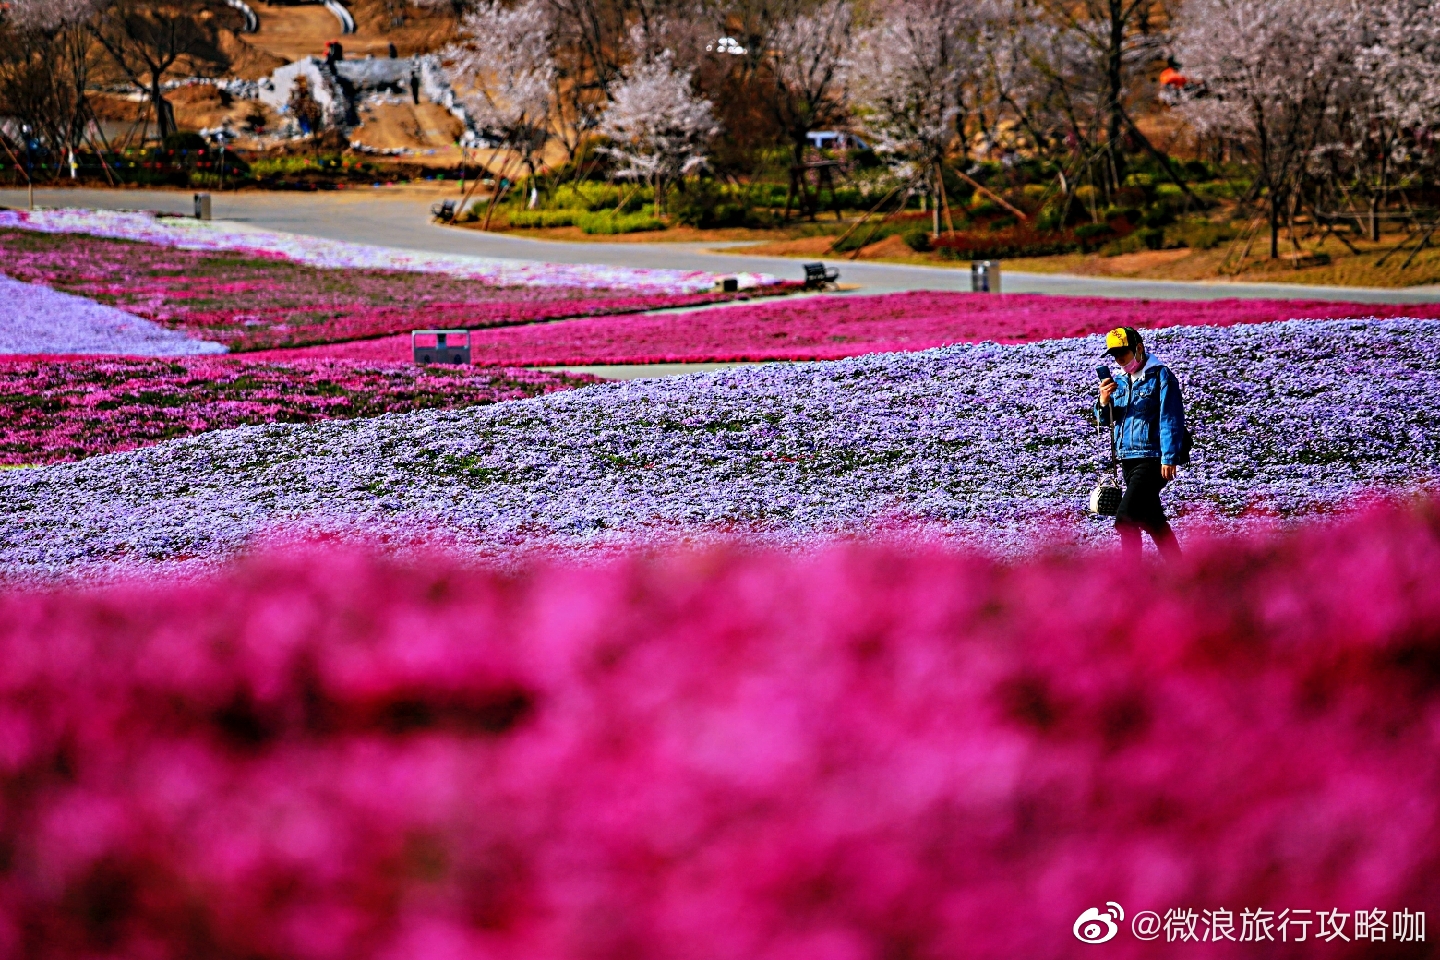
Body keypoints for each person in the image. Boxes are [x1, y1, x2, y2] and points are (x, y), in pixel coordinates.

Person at [1096, 326, 1187, 561]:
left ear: (1138, 348)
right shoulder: (1119, 382)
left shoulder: (1160, 375)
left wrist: (1170, 456)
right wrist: (1103, 401)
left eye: (1123, 354)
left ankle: (1131, 578)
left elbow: (1171, 417)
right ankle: (1182, 570)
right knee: (1152, 519)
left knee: (1125, 518)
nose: (1119, 360)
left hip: (1152, 459)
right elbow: (1106, 420)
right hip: (1127, 459)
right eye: (1115, 356)